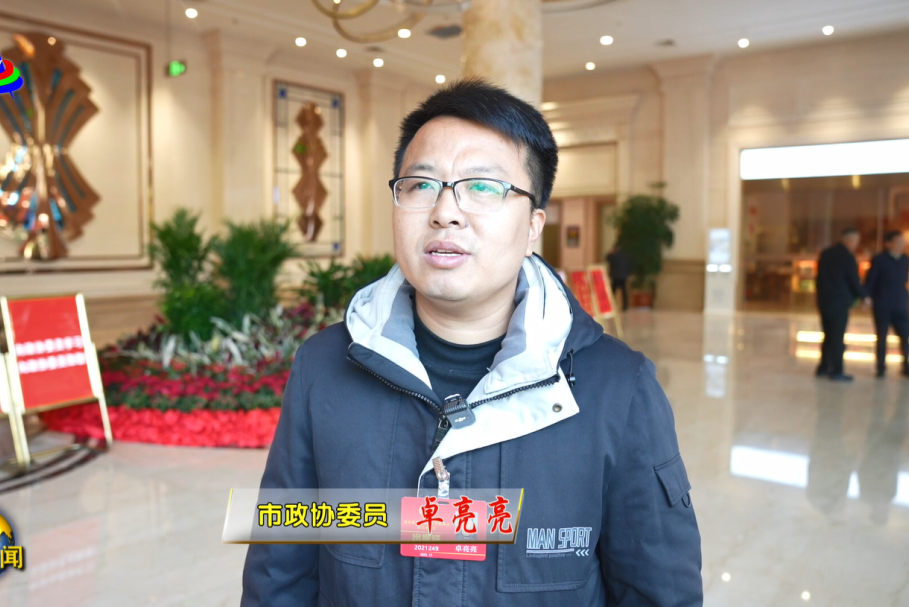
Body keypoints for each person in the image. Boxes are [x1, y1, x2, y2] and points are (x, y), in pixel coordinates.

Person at [241, 80, 702, 606]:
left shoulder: (618, 388)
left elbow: (659, 592)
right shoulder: (323, 367)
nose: (445, 212)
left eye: (483, 186)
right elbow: (279, 573)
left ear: (533, 226)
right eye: (421, 184)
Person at [864, 230, 909, 379]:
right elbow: (871, 280)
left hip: (901, 304)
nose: (901, 245)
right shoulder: (879, 260)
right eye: (898, 242)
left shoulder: (905, 259)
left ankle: (907, 366)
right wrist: (867, 297)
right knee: (882, 336)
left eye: (903, 242)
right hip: (882, 304)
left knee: (905, 336)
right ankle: (881, 367)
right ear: (888, 244)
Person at [814, 228, 864, 382]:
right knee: (837, 337)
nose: (856, 244)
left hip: (824, 301)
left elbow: (819, 278)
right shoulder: (847, 257)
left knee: (828, 334)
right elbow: (853, 279)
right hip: (840, 302)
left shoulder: (826, 253)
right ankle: (837, 370)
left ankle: (823, 367)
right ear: (849, 240)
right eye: (856, 241)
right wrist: (863, 296)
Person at [606, 243, 630, 311]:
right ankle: (625, 306)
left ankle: (611, 306)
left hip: (615, 276)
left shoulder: (614, 255)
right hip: (623, 276)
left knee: (613, 292)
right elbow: (629, 265)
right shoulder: (626, 255)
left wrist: (610, 253)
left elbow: (607, 259)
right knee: (624, 292)